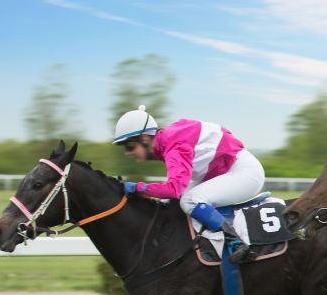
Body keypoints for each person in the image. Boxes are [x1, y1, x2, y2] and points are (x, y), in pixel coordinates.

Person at [113, 105, 266, 261]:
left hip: (244, 173)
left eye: (130, 146)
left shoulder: (174, 146)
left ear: (145, 139)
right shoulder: (168, 140)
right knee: (168, 201)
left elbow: (174, 189)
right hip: (224, 169)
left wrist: (139, 187)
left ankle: (236, 242)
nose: (128, 152)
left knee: (189, 200)